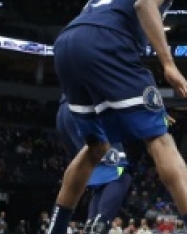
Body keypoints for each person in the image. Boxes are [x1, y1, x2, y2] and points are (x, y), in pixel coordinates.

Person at [46, 0, 187, 234]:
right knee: (160, 140)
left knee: (95, 147)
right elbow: (144, 4)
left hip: (67, 44)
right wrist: (168, 65)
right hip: (105, 44)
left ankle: (56, 228)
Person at [55, 96, 137, 234]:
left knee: (103, 181)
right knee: (121, 175)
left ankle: (91, 225)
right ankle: (101, 225)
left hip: (65, 112)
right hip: (87, 108)